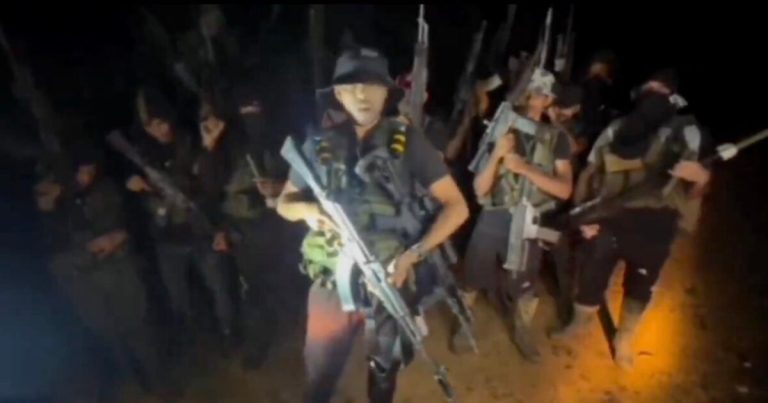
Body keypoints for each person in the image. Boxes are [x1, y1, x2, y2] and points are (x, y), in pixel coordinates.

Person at [276, 47, 469, 403]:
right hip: (333, 277)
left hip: (391, 277)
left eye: (371, 85)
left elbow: (457, 207)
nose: (362, 94)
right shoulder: (320, 142)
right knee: (321, 369)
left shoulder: (409, 142)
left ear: (386, 92)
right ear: (338, 94)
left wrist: (413, 255)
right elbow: (283, 203)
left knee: (385, 368)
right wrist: (307, 210)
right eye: (351, 87)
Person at [552, 70, 711, 370]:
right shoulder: (617, 129)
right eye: (649, 89)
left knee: (641, 284)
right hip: (609, 217)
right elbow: (590, 174)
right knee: (591, 270)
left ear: (673, 97)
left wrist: (701, 178)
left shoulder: (687, 133)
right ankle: (579, 322)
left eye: (661, 91)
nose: (653, 96)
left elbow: (694, 192)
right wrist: (583, 216)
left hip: (656, 226)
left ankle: (624, 339)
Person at [454, 68, 574, 362]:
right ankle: (465, 324)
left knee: (524, 282)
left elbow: (564, 189)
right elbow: (480, 188)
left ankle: (522, 329)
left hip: (529, 218)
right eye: (529, 91)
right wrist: (497, 155)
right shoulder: (501, 128)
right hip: (495, 214)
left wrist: (525, 169)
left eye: (541, 93)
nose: (533, 98)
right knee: (472, 275)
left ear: (549, 100)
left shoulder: (557, 139)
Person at [37, 139, 161, 391]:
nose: (87, 176)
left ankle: (160, 381)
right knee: (110, 339)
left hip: (121, 274)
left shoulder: (106, 189)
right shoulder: (53, 206)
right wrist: (87, 252)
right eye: (81, 171)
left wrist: (121, 236)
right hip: (88, 289)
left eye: (91, 170)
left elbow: (132, 219)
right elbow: (55, 261)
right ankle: (130, 381)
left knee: (140, 331)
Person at [124, 87, 233, 349]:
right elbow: (134, 192)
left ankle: (229, 335)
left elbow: (210, 188)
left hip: (201, 232)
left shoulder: (189, 141)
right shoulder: (142, 152)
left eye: (162, 122)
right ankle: (196, 344)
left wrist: (218, 227)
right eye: (151, 126)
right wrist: (134, 185)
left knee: (221, 291)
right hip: (168, 241)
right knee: (179, 299)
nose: (159, 130)